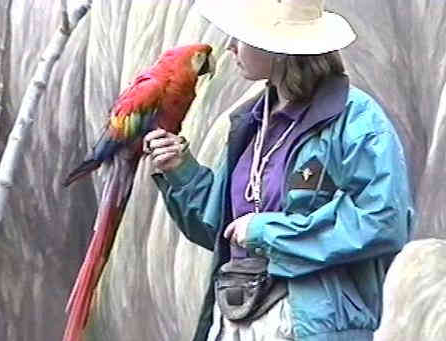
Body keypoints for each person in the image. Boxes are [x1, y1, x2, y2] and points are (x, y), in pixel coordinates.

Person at [144, 0, 414, 340]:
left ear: (279, 50)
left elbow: (383, 220)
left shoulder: (357, 122)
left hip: (311, 328)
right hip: (233, 321)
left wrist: (269, 232)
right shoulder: (252, 121)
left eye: (240, 37)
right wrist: (181, 171)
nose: (229, 47)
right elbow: (219, 228)